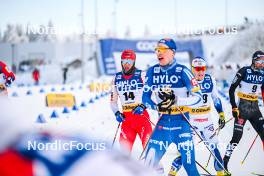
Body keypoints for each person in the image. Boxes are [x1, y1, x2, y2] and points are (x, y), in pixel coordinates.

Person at [133, 38, 202, 175]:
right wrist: (154, 106)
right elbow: (145, 98)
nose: (159, 53)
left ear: (173, 52)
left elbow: (198, 98)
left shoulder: (183, 71)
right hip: (162, 125)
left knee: (190, 167)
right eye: (157, 50)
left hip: (182, 124)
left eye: (163, 50)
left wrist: (177, 100)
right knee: (148, 166)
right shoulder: (152, 71)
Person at [168, 57, 226, 176]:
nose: (201, 72)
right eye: (198, 69)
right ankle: (172, 172)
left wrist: (221, 114)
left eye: (203, 69)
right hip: (191, 121)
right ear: (193, 69)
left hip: (207, 121)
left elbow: (215, 98)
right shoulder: (186, 80)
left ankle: (221, 172)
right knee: (186, 149)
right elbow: (178, 99)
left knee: (214, 147)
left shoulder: (210, 79)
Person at [223, 50, 264, 173]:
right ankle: (224, 162)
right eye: (259, 61)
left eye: (263, 61)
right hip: (242, 108)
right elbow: (231, 89)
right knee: (236, 137)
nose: (262, 64)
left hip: (255, 109)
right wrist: (234, 107)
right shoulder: (244, 71)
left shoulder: (263, 74)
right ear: (254, 60)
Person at [110, 49, 152, 152]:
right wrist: (116, 113)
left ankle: (156, 168)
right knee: (123, 154)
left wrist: (143, 106)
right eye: (124, 61)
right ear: (121, 62)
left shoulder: (142, 75)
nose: (127, 64)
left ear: (134, 62)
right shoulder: (116, 78)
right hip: (127, 121)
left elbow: (151, 94)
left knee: (150, 152)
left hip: (142, 119)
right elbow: (113, 101)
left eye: (130, 62)